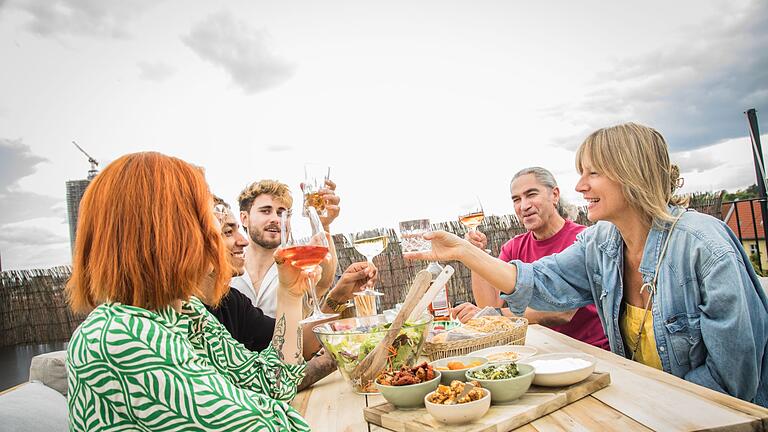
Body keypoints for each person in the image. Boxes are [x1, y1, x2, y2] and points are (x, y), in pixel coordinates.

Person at [405, 123, 768, 406]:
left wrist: (642, 404)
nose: (579, 186)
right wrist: (463, 251)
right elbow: (540, 281)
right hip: (642, 405)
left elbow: (732, 380)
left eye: (592, 173)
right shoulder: (602, 243)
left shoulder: (705, 245)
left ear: (631, 173)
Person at [66, 152, 311, 430]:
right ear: (165, 231)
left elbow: (272, 384)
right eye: (205, 217)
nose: (216, 232)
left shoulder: (187, 314)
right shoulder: (118, 337)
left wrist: (289, 295)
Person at [207, 197, 378, 390]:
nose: (243, 241)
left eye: (281, 212)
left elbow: (291, 345)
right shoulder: (188, 315)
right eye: (227, 232)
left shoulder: (230, 301)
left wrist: (337, 298)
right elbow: (265, 385)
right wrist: (341, 354)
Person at [454, 167, 609, 350]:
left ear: (555, 195)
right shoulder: (514, 247)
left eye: (531, 194)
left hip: (590, 351)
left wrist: (496, 315)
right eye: (516, 199)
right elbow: (490, 305)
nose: (524, 206)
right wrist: (475, 254)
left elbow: (561, 312)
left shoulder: (583, 241)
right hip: (537, 349)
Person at [232, 179, 340, 318]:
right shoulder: (227, 270)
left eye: (281, 213)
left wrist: (322, 223)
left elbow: (323, 282)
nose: (276, 219)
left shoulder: (297, 266)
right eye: (266, 211)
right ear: (244, 218)